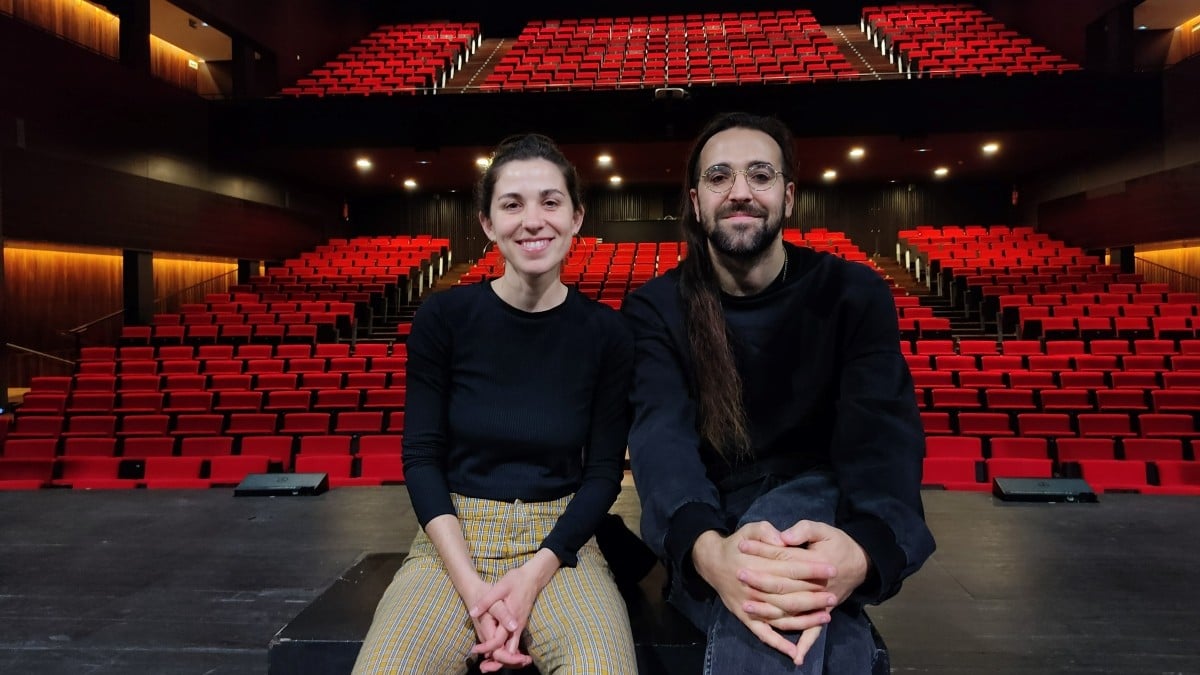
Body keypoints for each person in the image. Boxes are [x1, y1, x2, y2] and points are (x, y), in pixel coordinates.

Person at [622, 112, 935, 674]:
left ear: (788, 198)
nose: (740, 192)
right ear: (696, 202)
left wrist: (861, 554)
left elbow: (882, 440)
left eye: (760, 175)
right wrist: (710, 552)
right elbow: (660, 439)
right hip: (715, 523)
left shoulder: (853, 293)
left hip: (825, 519)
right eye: (719, 177)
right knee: (822, 637)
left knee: (792, 526)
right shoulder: (657, 307)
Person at [353, 134, 637, 674]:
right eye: (512, 204)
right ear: (487, 224)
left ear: (577, 217)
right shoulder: (444, 319)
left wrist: (531, 578)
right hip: (453, 542)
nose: (533, 220)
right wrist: (475, 592)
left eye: (551, 202)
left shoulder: (608, 334)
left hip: (563, 544)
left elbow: (602, 475)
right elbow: (421, 458)